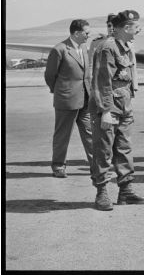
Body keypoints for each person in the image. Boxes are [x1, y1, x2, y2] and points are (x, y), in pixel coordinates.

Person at [90, 10, 144, 211]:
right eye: (135, 26)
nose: (138, 30)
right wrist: (105, 110)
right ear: (125, 28)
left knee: (124, 149)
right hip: (110, 107)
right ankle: (102, 193)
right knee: (104, 150)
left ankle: (126, 192)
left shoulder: (124, 47)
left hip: (123, 105)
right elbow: (101, 80)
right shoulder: (108, 47)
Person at [44, 19, 94, 179]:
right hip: (66, 100)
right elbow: (50, 75)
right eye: (86, 32)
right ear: (77, 33)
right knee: (63, 134)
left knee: (90, 133)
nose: (88, 35)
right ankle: (58, 166)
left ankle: (96, 165)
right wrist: (60, 91)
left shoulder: (84, 48)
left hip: (85, 99)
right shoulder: (60, 49)